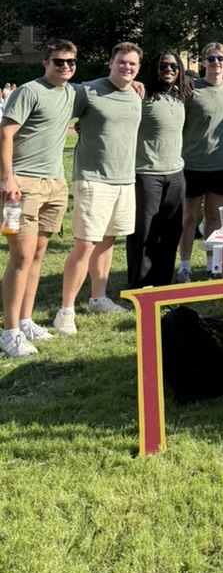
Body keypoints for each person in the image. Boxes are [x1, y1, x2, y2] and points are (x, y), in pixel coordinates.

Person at [54, 42, 144, 335]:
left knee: (108, 241)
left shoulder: (136, 93)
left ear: (138, 68)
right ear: (110, 62)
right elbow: (58, 112)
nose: (126, 67)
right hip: (93, 179)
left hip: (124, 179)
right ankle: (65, 311)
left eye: (132, 63)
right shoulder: (88, 91)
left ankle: (98, 299)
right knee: (85, 245)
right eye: (122, 62)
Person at [0, 40, 78, 357]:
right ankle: (9, 333)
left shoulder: (71, 93)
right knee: (20, 257)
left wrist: (136, 84)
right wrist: (7, 178)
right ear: (45, 63)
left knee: (37, 255)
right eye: (59, 61)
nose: (66, 67)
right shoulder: (28, 91)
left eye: (71, 62)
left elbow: (106, 86)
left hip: (55, 185)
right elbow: (5, 133)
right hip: (22, 185)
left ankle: (26, 320)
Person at [126, 51, 190, 289]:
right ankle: (139, 287)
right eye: (163, 65)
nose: (169, 69)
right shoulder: (139, 95)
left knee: (171, 233)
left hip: (176, 174)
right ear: (154, 68)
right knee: (144, 234)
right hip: (146, 174)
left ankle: (163, 286)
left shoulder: (180, 95)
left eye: (174, 66)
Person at [176, 43, 223, 282]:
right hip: (192, 164)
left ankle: (212, 265)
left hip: (221, 164)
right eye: (211, 59)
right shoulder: (190, 89)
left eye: (220, 58)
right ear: (203, 62)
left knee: (213, 216)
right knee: (188, 217)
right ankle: (185, 267)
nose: (216, 62)